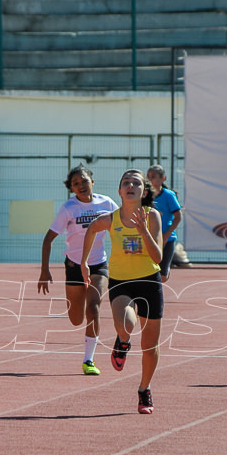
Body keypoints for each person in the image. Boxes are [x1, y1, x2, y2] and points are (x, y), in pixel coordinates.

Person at [81, 169, 163, 414]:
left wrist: (143, 230)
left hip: (149, 281)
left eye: (135, 183)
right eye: (126, 182)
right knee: (126, 324)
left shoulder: (152, 216)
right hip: (121, 282)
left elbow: (157, 257)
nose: (130, 186)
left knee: (150, 346)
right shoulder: (110, 219)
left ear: (143, 191)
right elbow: (91, 230)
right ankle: (123, 342)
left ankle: (144, 389)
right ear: (119, 191)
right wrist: (83, 262)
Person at [38, 165, 118, 375]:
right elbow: (48, 240)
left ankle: (88, 359)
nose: (81, 186)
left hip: (97, 264)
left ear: (92, 181)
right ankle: (82, 308)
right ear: (71, 188)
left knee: (93, 308)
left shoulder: (107, 203)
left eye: (84, 181)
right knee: (76, 319)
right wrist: (44, 271)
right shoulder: (69, 208)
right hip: (74, 264)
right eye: (76, 184)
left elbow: (121, 227)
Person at [146, 164, 184, 282]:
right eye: (148, 177)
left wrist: (167, 235)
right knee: (148, 272)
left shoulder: (168, 195)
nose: (150, 179)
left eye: (153, 177)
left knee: (162, 276)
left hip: (166, 239)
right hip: (149, 238)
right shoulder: (146, 195)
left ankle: (165, 271)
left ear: (163, 178)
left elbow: (178, 217)